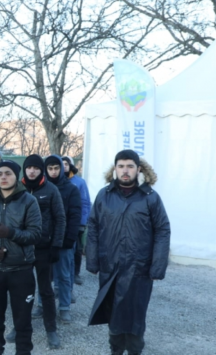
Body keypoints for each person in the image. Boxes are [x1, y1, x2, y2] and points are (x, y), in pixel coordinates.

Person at [86, 150, 170, 355]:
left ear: (138, 169)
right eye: (121, 166)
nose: (125, 171)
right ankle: (115, 350)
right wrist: (92, 259)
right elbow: (93, 227)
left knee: (135, 316)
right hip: (111, 266)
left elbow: (162, 230)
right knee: (113, 313)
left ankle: (134, 350)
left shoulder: (150, 197)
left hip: (138, 269)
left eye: (130, 166)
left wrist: (157, 265)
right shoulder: (104, 195)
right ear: (115, 169)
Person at [0, 160, 41, 355]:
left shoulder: (29, 201)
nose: (3, 177)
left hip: (21, 270)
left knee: (22, 321)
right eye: (0, 173)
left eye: (8, 173)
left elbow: (36, 234)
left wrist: (10, 233)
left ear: (16, 176)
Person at [5, 155, 66, 349]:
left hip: (43, 249)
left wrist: (56, 245)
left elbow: (60, 218)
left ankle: (51, 329)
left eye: (36, 168)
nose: (32, 171)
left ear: (41, 170)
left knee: (46, 291)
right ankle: (19, 326)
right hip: (20, 248)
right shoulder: (16, 190)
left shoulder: (51, 190)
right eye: (29, 167)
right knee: (21, 290)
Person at [44, 155, 81, 324]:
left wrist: (70, 239)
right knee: (43, 275)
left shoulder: (71, 189)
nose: (53, 172)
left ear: (61, 169)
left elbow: (75, 216)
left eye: (56, 168)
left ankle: (64, 307)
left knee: (64, 275)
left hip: (64, 240)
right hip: (44, 240)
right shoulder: (41, 188)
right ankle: (41, 304)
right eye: (50, 168)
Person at [62, 156, 91, 285]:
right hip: (60, 223)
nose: (64, 167)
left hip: (76, 222)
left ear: (71, 166)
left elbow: (85, 203)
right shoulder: (53, 181)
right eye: (61, 164)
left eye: (66, 164)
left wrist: (82, 221)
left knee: (77, 250)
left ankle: (75, 274)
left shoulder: (80, 182)